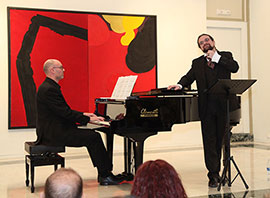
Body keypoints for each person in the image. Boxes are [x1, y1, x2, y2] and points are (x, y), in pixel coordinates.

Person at [168, 33, 239, 188]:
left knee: (222, 140)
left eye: (207, 40)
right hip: (206, 108)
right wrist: (179, 85)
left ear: (213, 41)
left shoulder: (225, 56)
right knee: (210, 142)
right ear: (200, 47)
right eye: (201, 43)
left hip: (224, 107)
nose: (204, 43)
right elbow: (188, 78)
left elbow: (234, 68)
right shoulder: (197, 63)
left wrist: (216, 58)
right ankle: (213, 175)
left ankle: (225, 172)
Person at [35, 59, 122, 185]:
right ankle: (105, 175)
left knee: (92, 136)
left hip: (54, 129)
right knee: (94, 137)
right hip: (54, 133)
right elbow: (65, 113)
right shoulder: (49, 89)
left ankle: (104, 172)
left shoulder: (48, 87)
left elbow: (63, 110)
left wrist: (84, 115)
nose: (63, 70)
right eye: (61, 67)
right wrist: (88, 119)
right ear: (52, 70)